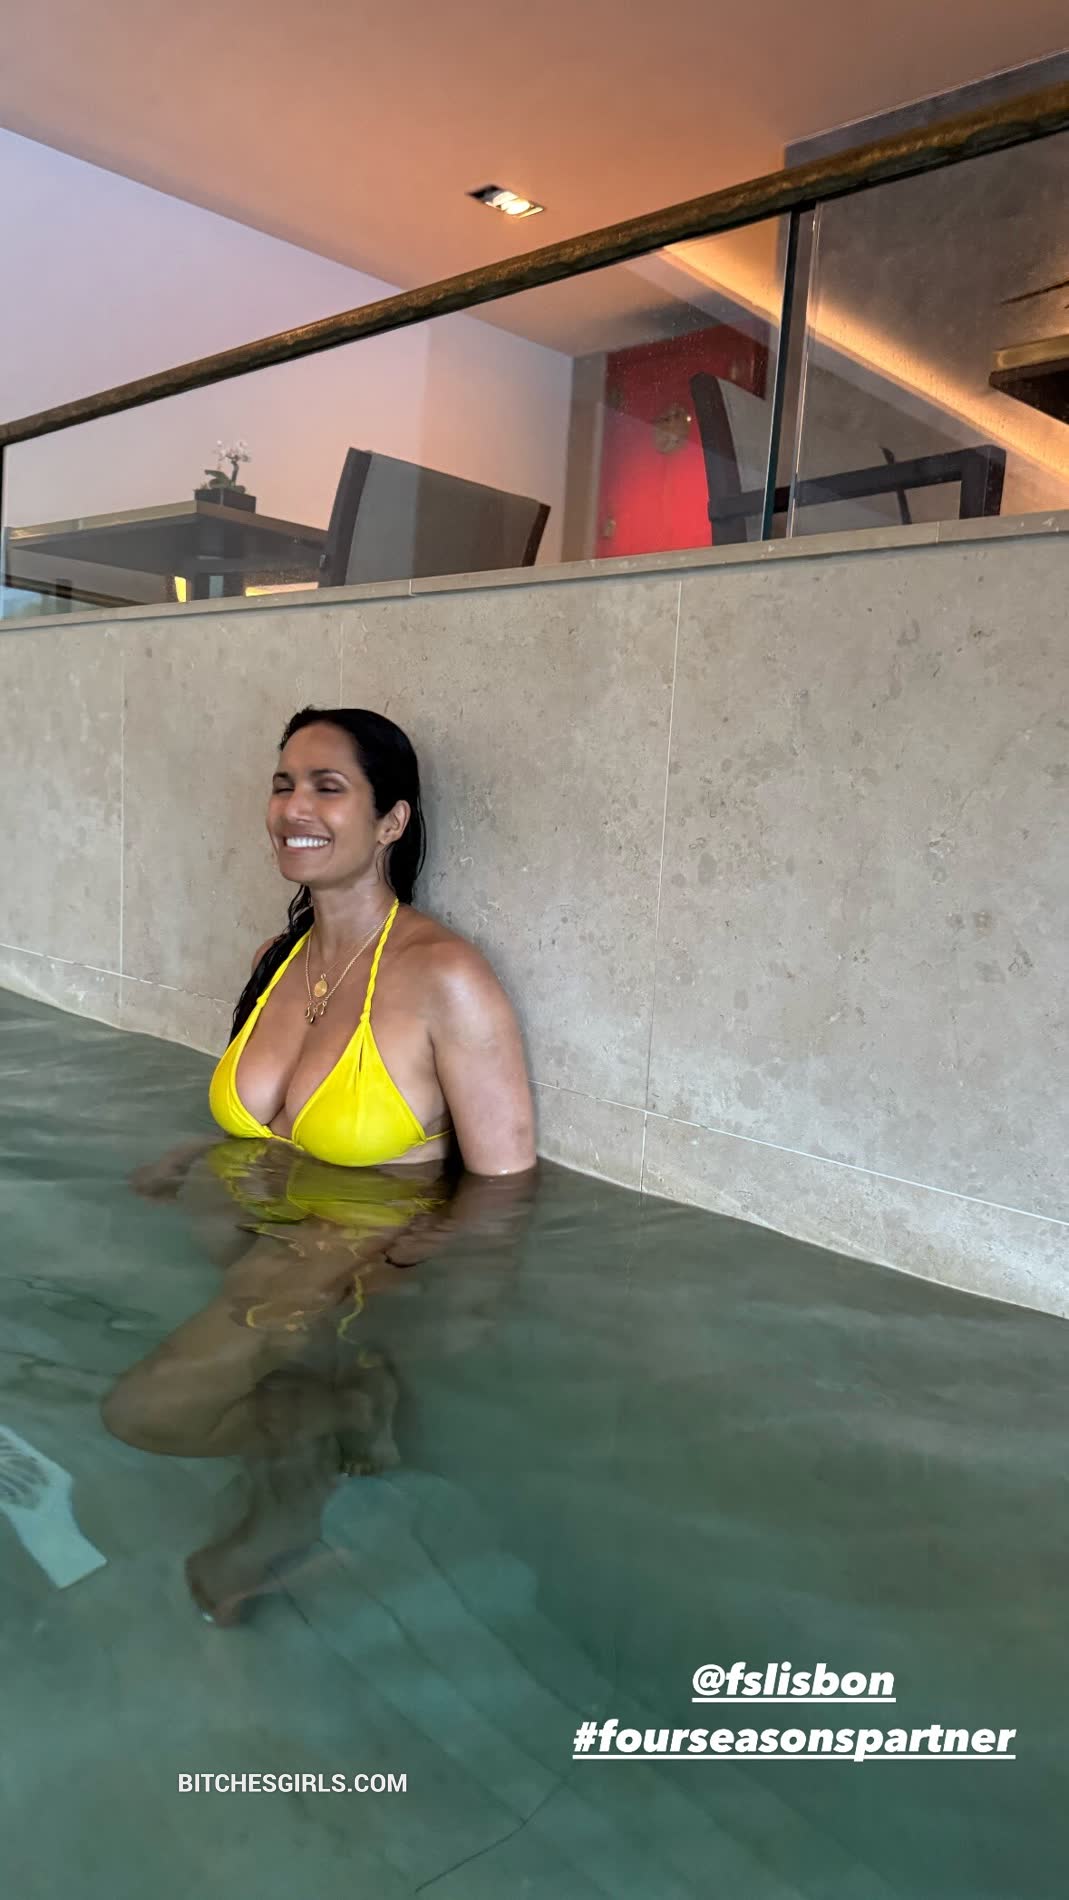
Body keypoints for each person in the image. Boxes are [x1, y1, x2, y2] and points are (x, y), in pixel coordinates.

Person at [102, 707, 537, 1618]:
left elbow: (503, 1182)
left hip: (345, 1257)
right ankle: (303, 1478)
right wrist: (199, 1154)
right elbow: (283, 1124)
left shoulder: (444, 976)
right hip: (256, 1244)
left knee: (144, 1412)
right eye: (283, 784)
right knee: (226, 1462)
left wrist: (426, 1281)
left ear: (391, 821)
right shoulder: (276, 960)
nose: (293, 807)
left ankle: (337, 1415)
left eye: (327, 787)